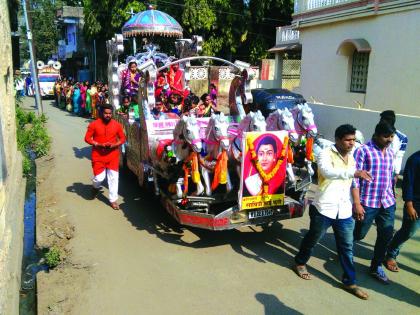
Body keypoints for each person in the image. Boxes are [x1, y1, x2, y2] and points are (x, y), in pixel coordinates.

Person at [294, 124, 372, 299]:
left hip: (344, 210)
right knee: (312, 240)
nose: (352, 143)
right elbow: (327, 172)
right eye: (348, 140)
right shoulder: (325, 154)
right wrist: (354, 172)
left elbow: (353, 182)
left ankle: (350, 282)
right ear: (338, 140)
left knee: (347, 247)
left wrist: (356, 203)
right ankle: (300, 263)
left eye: (353, 140)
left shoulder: (351, 158)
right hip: (324, 207)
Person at [352, 121, 396, 284]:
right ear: (376, 135)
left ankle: (376, 266)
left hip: (387, 202)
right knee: (359, 234)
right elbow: (355, 179)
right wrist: (357, 203)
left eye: (391, 136)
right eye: (386, 136)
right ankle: (345, 249)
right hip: (367, 202)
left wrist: (391, 191)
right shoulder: (364, 150)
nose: (389, 139)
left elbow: (390, 175)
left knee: (386, 234)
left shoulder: (390, 152)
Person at [84, 103, 126, 210]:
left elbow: (122, 139)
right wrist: (98, 144)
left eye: (110, 113)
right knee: (99, 177)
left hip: (113, 155)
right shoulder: (94, 124)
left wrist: (115, 145)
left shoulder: (117, 125)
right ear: (101, 113)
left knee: (113, 178)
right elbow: (87, 138)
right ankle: (95, 187)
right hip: (98, 155)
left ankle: (113, 200)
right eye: (106, 113)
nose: (108, 115)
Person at [384, 150, 420, 272]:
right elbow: (408, 183)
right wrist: (409, 204)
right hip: (416, 205)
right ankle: (391, 254)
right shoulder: (415, 159)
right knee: (408, 232)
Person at [379, 110, 408, 182]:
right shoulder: (378, 134)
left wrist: (397, 174)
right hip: (376, 167)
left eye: (381, 120)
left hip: (390, 171)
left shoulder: (402, 138)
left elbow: (399, 157)